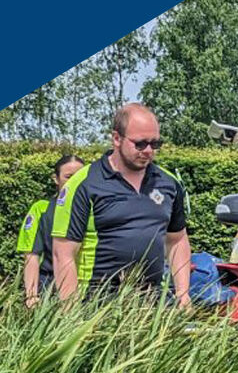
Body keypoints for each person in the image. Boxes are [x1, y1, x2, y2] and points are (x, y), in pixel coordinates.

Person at [52, 103, 192, 305]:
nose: (148, 151)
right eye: (140, 144)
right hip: (95, 302)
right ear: (116, 138)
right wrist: (69, 310)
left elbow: (177, 240)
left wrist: (183, 294)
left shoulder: (168, 183)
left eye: (155, 144)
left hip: (152, 302)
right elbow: (63, 253)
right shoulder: (84, 183)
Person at [18, 154, 85, 307]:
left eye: (80, 176)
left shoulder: (98, 209)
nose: (75, 181)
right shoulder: (41, 209)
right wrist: (31, 296)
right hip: (50, 288)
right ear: (56, 179)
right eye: (69, 176)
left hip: (89, 288)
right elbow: (31, 255)